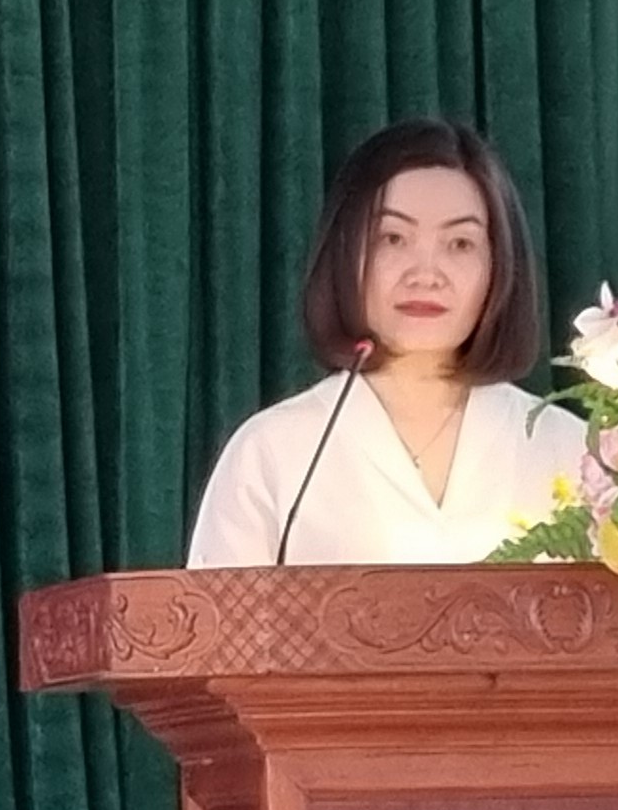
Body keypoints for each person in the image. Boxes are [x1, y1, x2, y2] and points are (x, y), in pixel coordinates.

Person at [189, 120, 586, 569]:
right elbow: (214, 614)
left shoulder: (570, 450)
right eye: (393, 239)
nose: (426, 274)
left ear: (500, 267)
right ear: (346, 255)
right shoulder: (273, 453)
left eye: (460, 244)